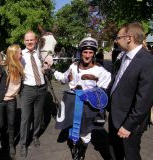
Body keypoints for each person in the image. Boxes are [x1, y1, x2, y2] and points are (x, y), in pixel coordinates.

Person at [53, 37, 112, 160]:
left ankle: (81, 153)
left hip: (88, 106)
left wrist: (91, 91)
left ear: (94, 53)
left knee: (85, 132)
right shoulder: (73, 66)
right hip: (72, 103)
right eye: (85, 52)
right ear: (81, 52)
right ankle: (74, 146)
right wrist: (53, 72)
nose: (87, 55)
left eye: (91, 52)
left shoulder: (100, 71)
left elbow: (104, 90)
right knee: (72, 129)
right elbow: (64, 78)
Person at [108, 22, 153, 160]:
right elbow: (118, 82)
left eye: (118, 37)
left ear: (129, 38)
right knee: (115, 153)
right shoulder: (123, 56)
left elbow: (144, 100)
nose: (116, 40)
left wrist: (128, 126)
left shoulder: (147, 61)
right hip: (115, 117)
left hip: (130, 122)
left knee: (131, 155)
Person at [0, 45, 24, 158]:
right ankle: (2, 142)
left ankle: (11, 144)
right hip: (0, 101)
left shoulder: (20, 67)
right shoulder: (2, 67)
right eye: (20, 53)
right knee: (2, 125)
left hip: (12, 100)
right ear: (14, 54)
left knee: (12, 123)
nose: (21, 55)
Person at [19, 31, 47, 157]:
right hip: (27, 90)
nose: (29, 42)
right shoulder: (20, 55)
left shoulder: (40, 54)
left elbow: (44, 68)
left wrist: (47, 68)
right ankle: (23, 143)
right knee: (25, 118)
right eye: (27, 40)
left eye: (31, 40)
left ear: (35, 40)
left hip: (41, 88)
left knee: (37, 116)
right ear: (24, 41)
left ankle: (35, 135)